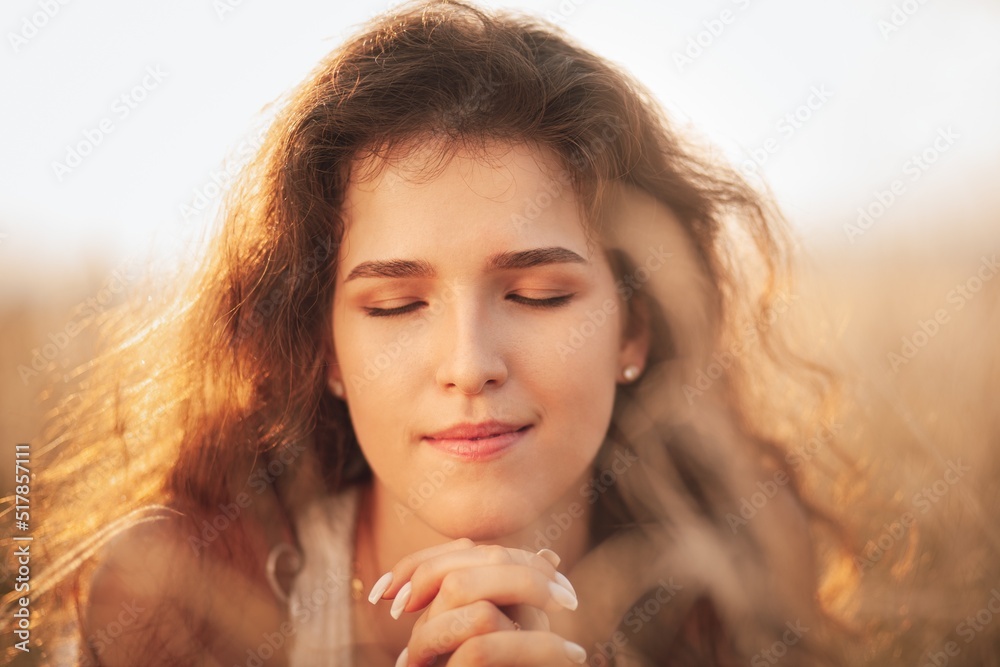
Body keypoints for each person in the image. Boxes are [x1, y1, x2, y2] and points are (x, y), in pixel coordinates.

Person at [4, 1, 850, 665]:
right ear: (324, 347)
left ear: (636, 328)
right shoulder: (181, 598)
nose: (469, 364)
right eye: (397, 306)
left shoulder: (735, 598)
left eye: (539, 294)